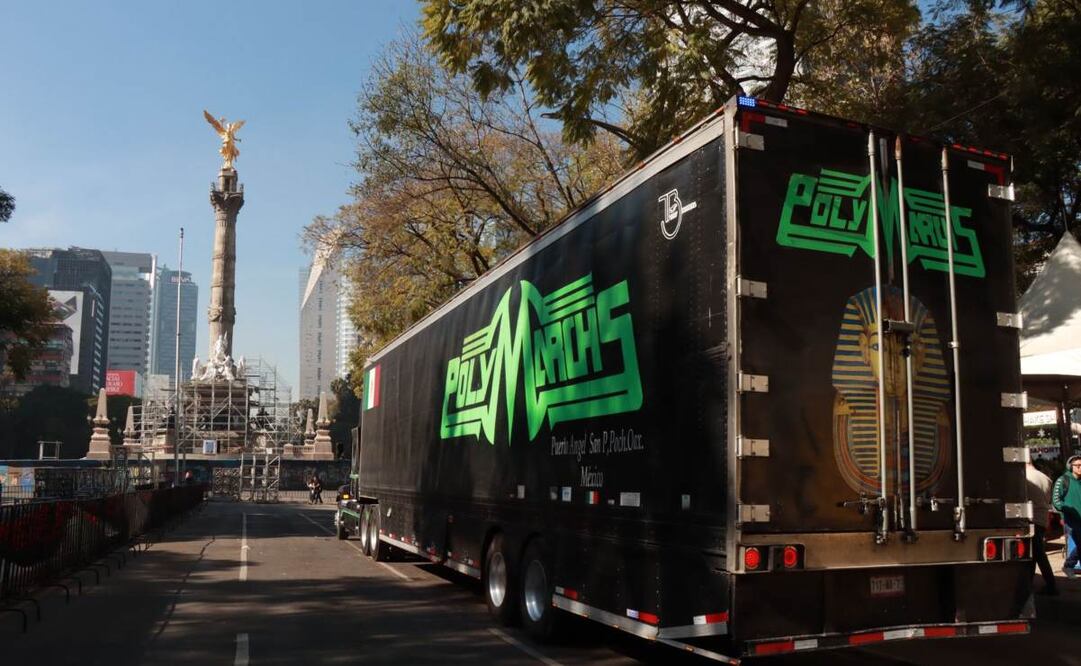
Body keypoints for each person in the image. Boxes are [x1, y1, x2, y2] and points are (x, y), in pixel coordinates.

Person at [1027, 460, 1058, 594]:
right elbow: (1048, 500)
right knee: (1035, 554)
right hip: (1041, 519)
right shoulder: (1046, 479)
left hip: (1030, 519)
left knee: (1038, 554)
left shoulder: (1024, 477)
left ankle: (1051, 585)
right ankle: (1029, 583)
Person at [1051, 454, 1081, 578]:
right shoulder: (1063, 480)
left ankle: (1069, 566)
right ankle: (1069, 565)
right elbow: (1056, 500)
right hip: (1071, 519)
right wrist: (1067, 509)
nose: (1080, 468)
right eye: (1078, 465)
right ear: (1071, 466)